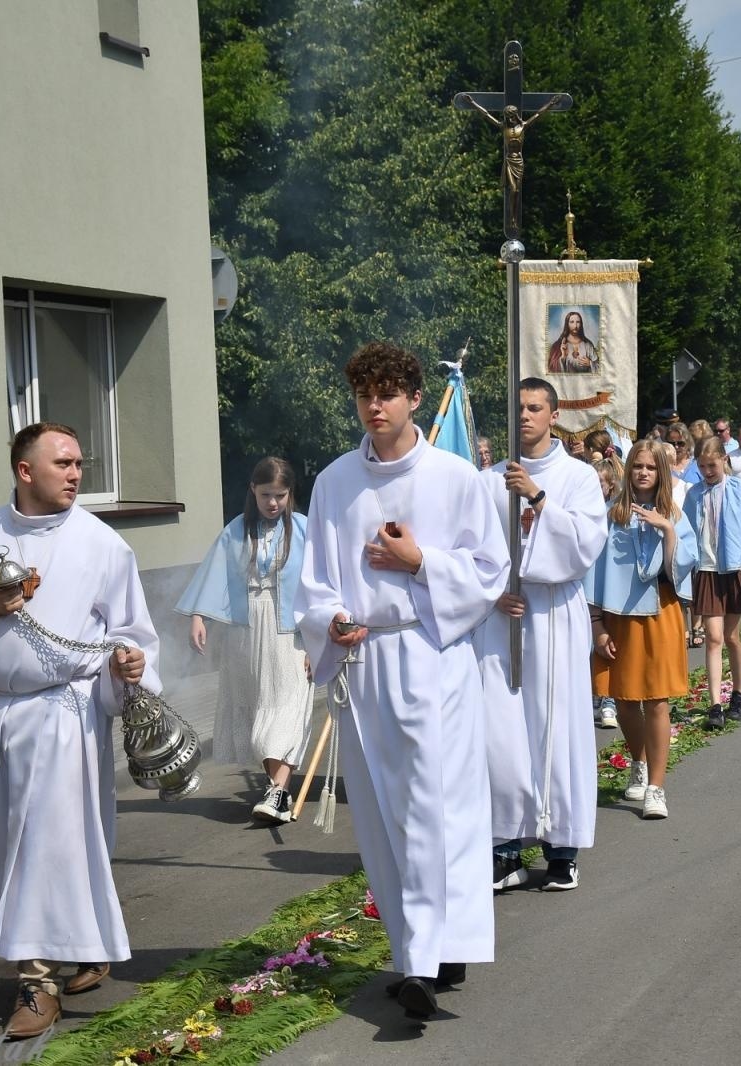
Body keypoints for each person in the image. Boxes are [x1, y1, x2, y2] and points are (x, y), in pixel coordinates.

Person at [0, 422, 159, 1039]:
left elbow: (132, 630)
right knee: (4, 844)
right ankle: (78, 939)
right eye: (64, 464)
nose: (77, 473)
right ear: (25, 471)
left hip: (64, 711)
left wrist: (131, 663)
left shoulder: (103, 545)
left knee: (46, 845)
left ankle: (37, 979)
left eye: (80, 462)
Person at [294, 341, 510, 1021]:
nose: (374, 406)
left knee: (433, 808)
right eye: (364, 394)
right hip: (365, 664)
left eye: (387, 393)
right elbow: (314, 583)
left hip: (430, 655)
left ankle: (424, 960)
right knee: (387, 818)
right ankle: (420, 946)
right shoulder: (333, 482)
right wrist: (330, 620)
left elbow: (487, 572)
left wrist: (419, 562)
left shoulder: (453, 477)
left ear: (415, 398)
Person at [480, 378, 609, 895]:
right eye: (518, 410)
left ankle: (561, 849)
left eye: (535, 408)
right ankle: (506, 848)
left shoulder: (576, 477)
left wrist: (537, 498)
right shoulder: (488, 480)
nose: (525, 417)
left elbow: (585, 543)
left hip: (554, 611)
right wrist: (491, 592)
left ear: (553, 415)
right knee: (503, 732)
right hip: (502, 617)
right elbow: (471, 550)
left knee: (557, 727)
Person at [175, 457, 312, 824]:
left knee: (288, 706)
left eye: (280, 495)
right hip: (245, 633)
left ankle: (278, 791)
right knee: (256, 712)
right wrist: (199, 616)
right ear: (253, 490)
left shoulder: (303, 529)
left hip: (291, 634)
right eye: (266, 494)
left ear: (289, 495)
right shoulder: (236, 530)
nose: (273, 503)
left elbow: (322, 587)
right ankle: (277, 792)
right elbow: (214, 572)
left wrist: (320, 641)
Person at [588, 440, 697, 820]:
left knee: (657, 701)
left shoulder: (674, 514)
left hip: (660, 614)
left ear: (661, 473)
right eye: (638, 466)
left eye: (651, 467)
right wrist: (597, 624)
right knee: (623, 701)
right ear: (629, 470)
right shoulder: (609, 515)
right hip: (620, 616)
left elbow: (681, 569)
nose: (644, 473)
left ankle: (656, 786)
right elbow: (594, 572)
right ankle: (638, 760)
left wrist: (667, 529)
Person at [685, 436, 741, 729]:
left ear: (724, 460)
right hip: (707, 570)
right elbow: (686, 535)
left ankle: (738, 692)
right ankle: (715, 704)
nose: (707, 471)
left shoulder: (739, 490)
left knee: (732, 638)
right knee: (713, 638)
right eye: (702, 466)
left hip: (735, 569)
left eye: (712, 465)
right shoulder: (694, 494)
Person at [589, 456, 624, 729]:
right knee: (587, 646)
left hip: (605, 586)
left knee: (606, 645)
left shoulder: (614, 513)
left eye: (599, 483)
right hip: (582, 585)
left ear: (610, 486)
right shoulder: (584, 510)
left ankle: (609, 700)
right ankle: (593, 696)